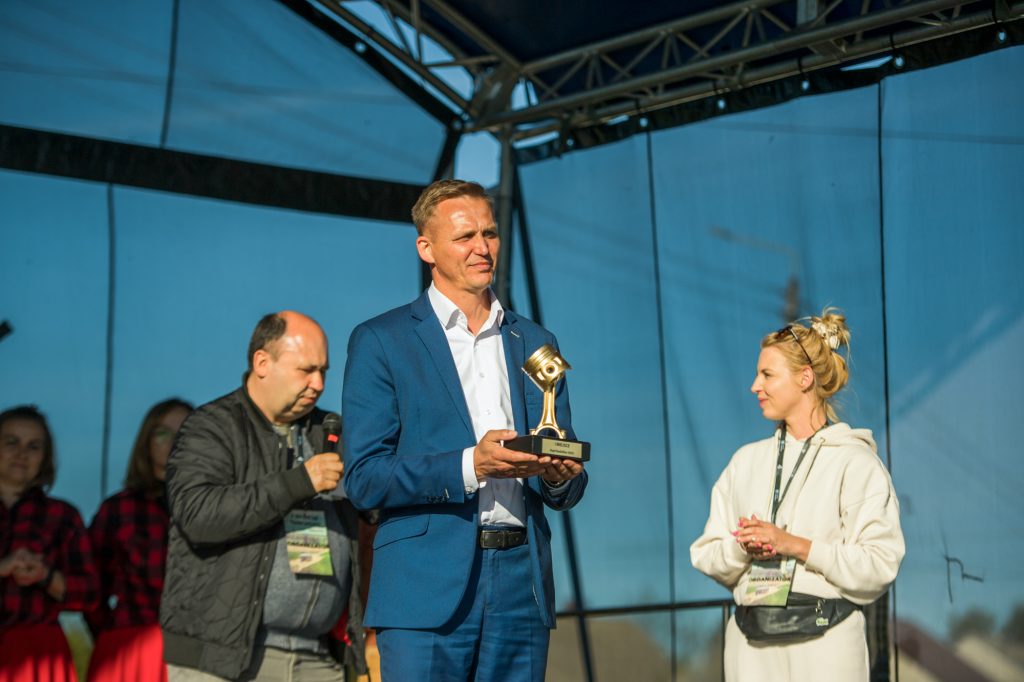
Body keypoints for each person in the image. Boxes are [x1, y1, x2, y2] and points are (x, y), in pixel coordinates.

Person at [342, 179, 588, 681]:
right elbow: (364, 478)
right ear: (426, 248)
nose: (482, 247)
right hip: (424, 589)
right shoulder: (381, 340)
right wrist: (470, 465)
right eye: (465, 237)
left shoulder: (535, 340)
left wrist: (560, 475)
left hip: (521, 586)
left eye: (489, 233)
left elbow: (561, 464)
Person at [690, 310, 905, 681]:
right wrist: (743, 547)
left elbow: (879, 564)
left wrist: (795, 545)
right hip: (750, 645)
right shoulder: (745, 462)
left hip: (826, 643)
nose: (754, 386)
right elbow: (706, 553)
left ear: (805, 378)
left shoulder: (854, 461)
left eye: (767, 375)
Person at [159, 311, 368, 682]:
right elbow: (198, 516)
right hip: (224, 660)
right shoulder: (212, 427)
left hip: (317, 657)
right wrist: (299, 482)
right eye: (306, 370)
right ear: (262, 363)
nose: (319, 384)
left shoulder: (329, 432)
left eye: (324, 371)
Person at [86, 398, 193, 682]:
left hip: (197, 652)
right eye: (163, 433)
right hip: (130, 649)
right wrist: (119, 637)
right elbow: (91, 592)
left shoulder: (216, 508)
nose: (174, 441)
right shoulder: (118, 510)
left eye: (184, 432)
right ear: (147, 441)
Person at [0, 405, 99, 682]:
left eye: (34, 447)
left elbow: (91, 595)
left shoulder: (62, 516)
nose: (21, 454)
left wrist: (46, 576)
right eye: (11, 442)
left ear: (45, 458)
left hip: (40, 655)